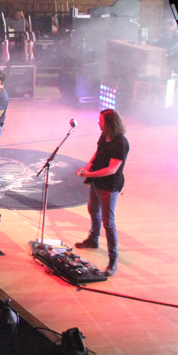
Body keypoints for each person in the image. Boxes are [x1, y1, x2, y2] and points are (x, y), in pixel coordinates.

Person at [74, 109, 129, 276]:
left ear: (110, 124)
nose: (98, 123)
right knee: (92, 209)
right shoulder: (104, 135)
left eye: (101, 121)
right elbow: (97, 154)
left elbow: (112, 169)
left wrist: (89, 174)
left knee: (108, 222)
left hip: (109, 186)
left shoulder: (121, 143)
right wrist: (88, 166)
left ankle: (113, 260)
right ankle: (93, 239)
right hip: (97, 181)